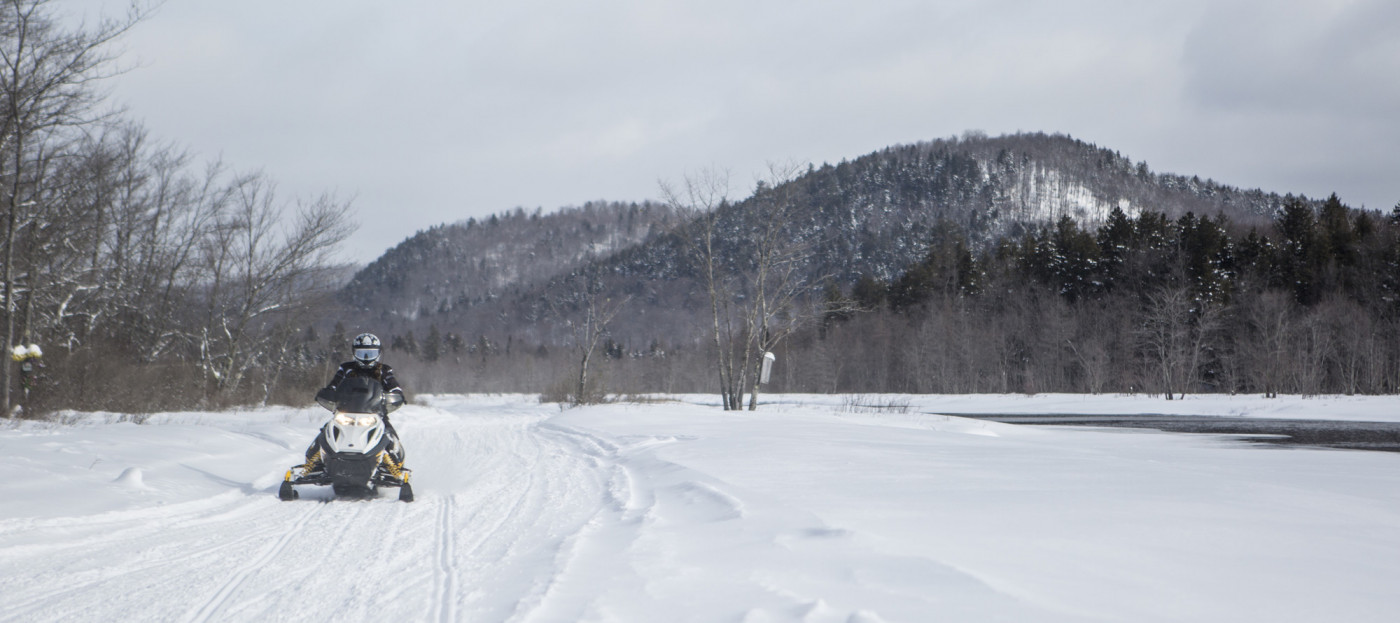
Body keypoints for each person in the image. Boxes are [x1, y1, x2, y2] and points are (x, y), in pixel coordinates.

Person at [301, 333, 406, 473]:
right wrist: (328, 392)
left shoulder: (384, 370)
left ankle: (393, 466)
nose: (366, 358)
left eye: (370, 353)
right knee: (327, 431)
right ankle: (314, 463)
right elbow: (334, 384)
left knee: (388, 433)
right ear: (354, 353)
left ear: (378, 353)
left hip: (375, 412)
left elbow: (394, 386)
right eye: (362, 353)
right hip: (346, 411)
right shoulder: (346, 369)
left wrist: (395, 394)